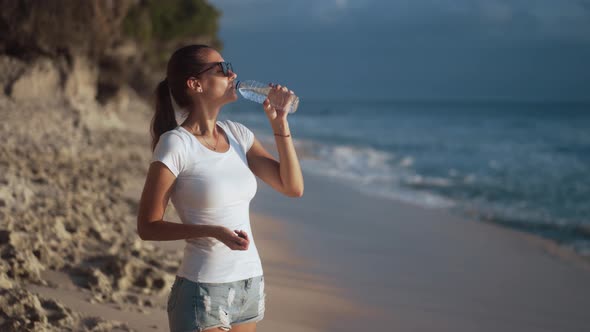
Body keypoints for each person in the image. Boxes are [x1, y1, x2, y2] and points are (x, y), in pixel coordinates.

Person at [136, 44, 304, 332]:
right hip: (203, 289)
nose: (233, 74)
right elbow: (148, 226)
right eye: (223, 69)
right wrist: (211, 230)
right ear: (195, 84)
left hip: (249, 282)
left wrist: (280, 124)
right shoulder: (176, 144)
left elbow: (292, 187)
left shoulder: (239, 135)